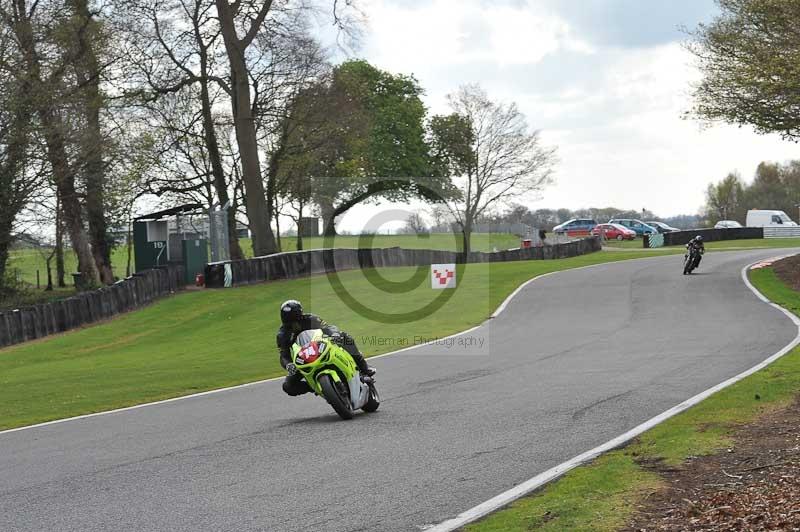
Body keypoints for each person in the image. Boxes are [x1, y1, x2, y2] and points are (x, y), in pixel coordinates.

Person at [276, 300, 375, 396]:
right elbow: (283, 356)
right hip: (304, 359)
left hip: (321, 347)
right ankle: (315, 387)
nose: (294, 325)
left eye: (295, 321)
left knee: (345, 337)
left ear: (300, 315)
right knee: (288, 386)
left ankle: (364, 368)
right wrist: (289, 365)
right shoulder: (282, 335)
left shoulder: (311, 319)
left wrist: (334, 334)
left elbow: (328, 327)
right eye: (290, 323)